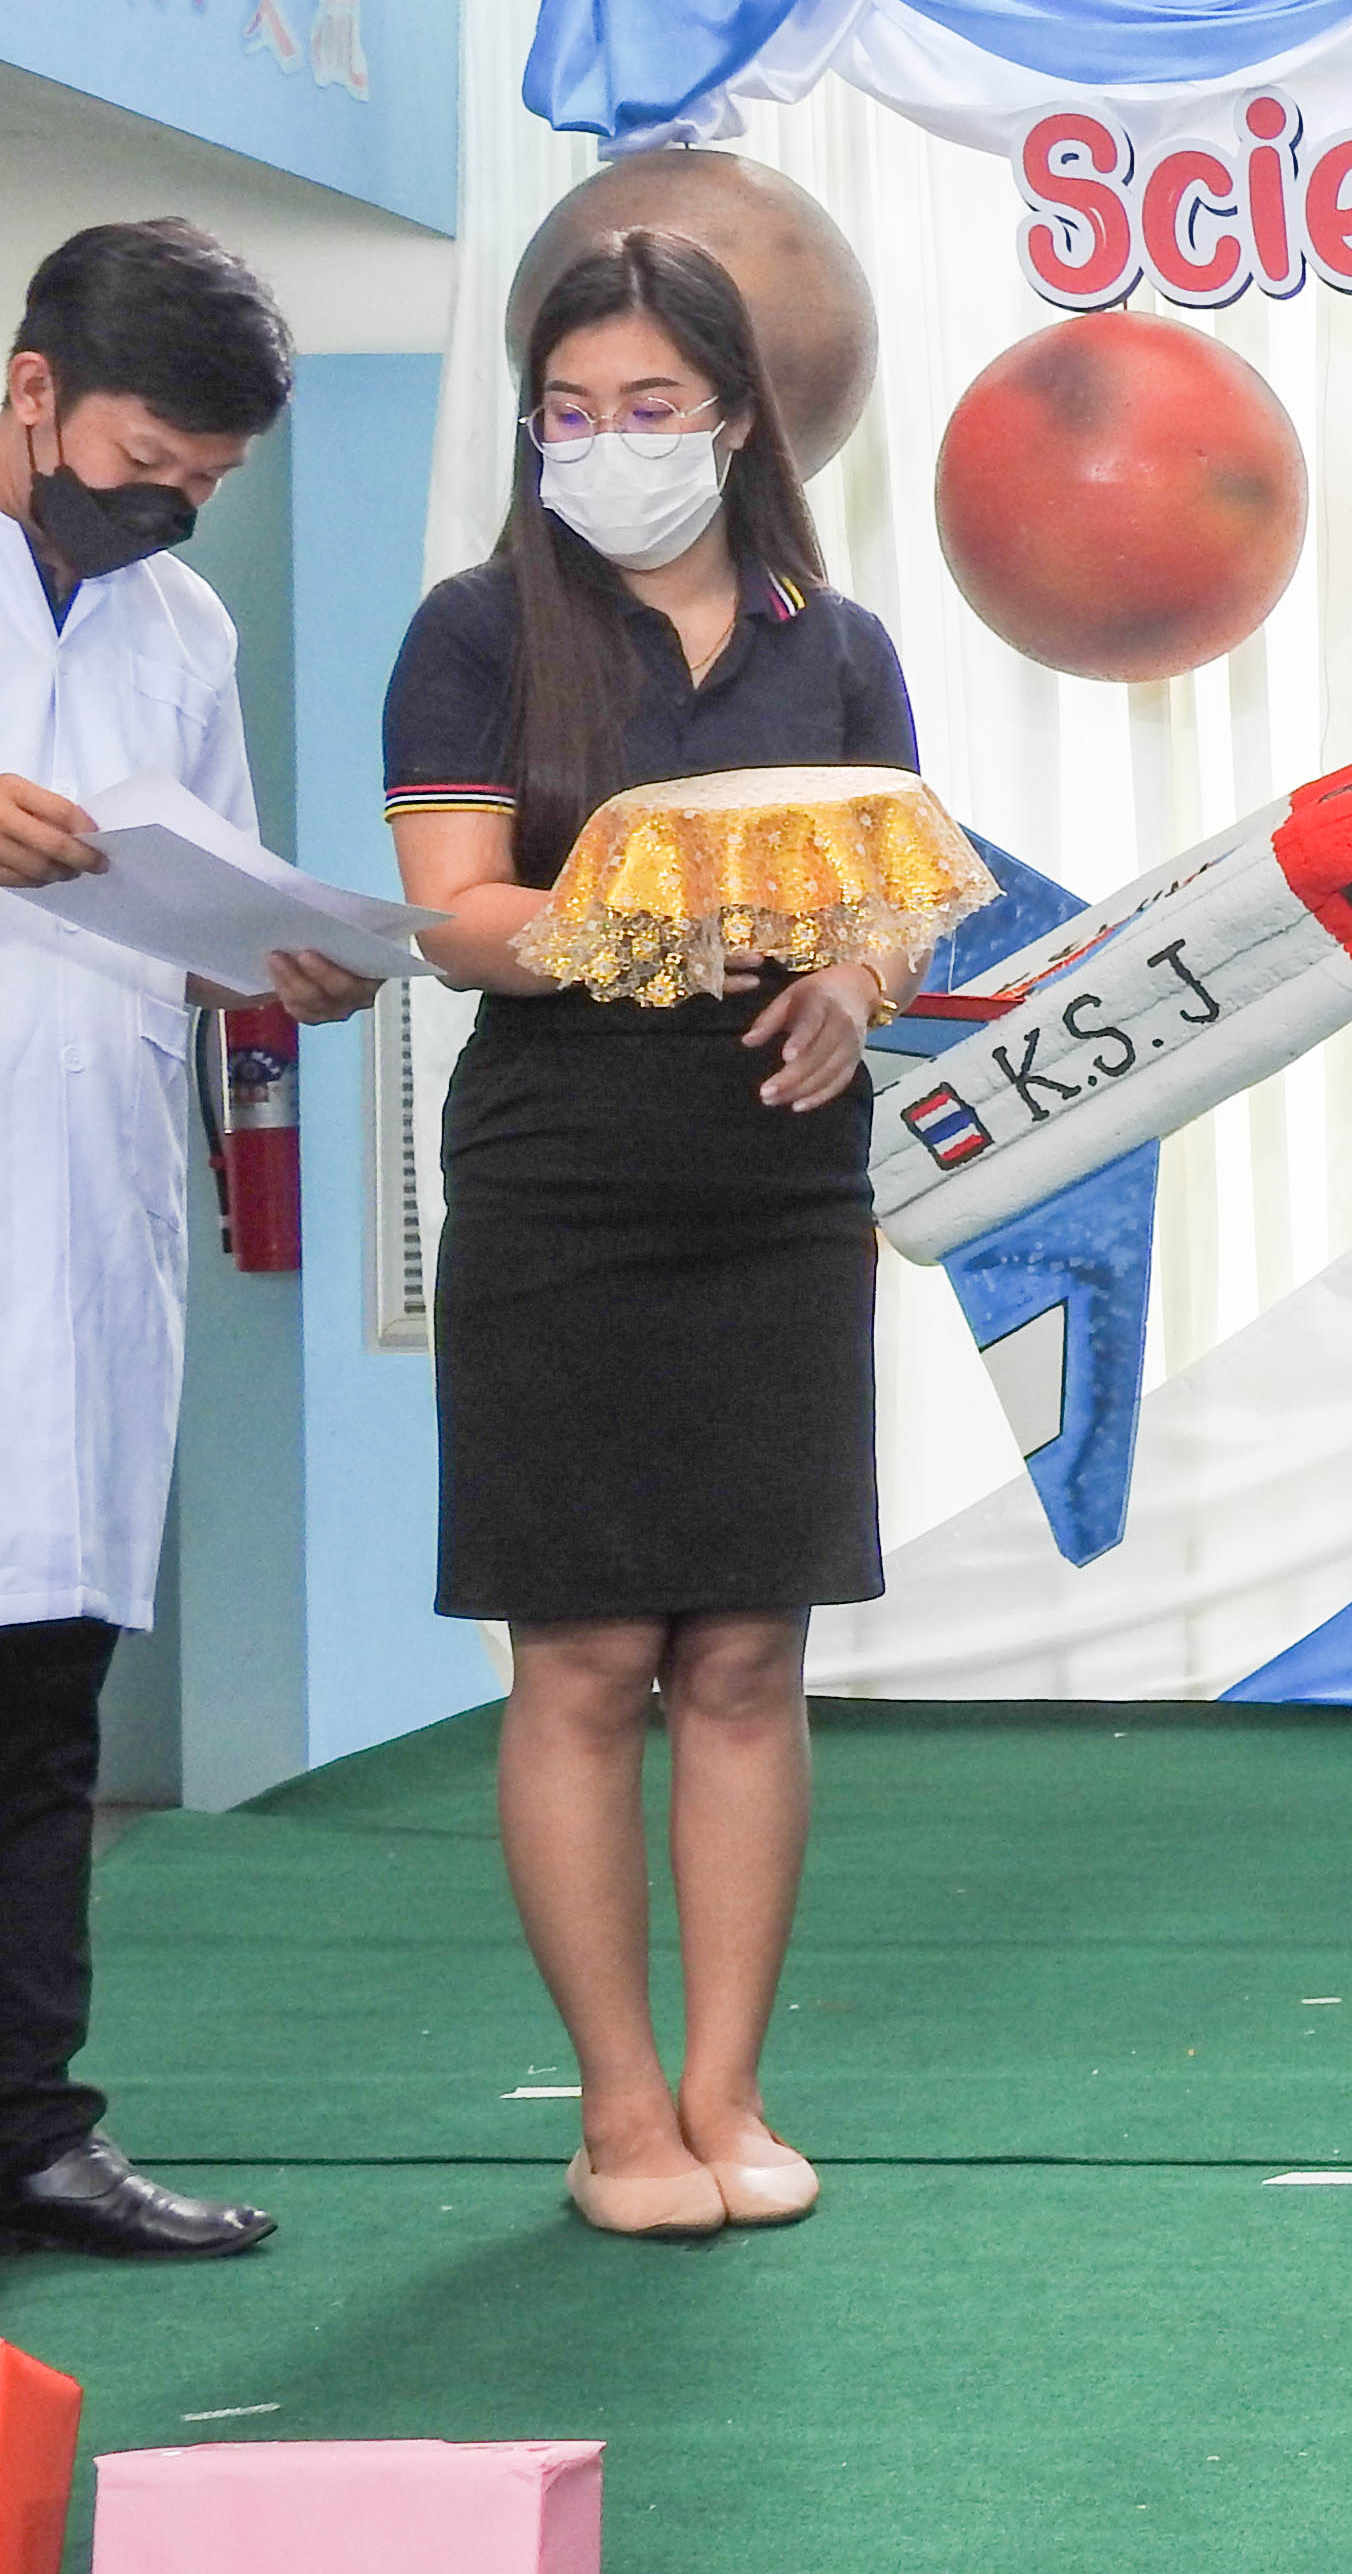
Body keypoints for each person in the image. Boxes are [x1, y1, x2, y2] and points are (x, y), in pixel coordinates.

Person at [383, 227, 925, 2241]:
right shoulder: (475, 631)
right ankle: (618, 2113)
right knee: (592, 1648)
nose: (608, 444)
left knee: (750, 1650)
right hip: (564, 1174)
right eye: (571, 411)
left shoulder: (834, 641)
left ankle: (729, 2093)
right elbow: (455, 915)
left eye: (651, 406)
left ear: (736, 418)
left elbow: (895, 886)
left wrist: (853, 982)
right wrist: (645, 929)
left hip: (779, 1179)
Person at [0, 220, 376, 2261]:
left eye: (206, 484)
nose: (169, 510)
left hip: (78, 1217)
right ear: (34, 390)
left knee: (39, 1705)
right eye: (149, 462)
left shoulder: (181, 631)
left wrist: (279, 962)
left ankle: (30, 2135)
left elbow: (199, 895)